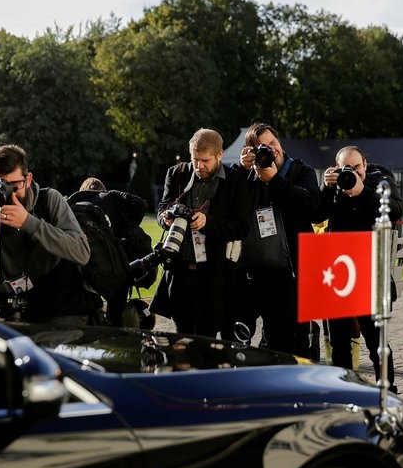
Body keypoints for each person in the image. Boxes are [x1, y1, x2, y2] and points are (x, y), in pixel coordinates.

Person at [0, 144, 97, 323]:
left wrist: (29, 223)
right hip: (14, 314)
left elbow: (82, 253)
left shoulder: (49, 200)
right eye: (2, 186)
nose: (8, 192)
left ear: (28, 180)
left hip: (62, 312)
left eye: (15, 185)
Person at [313, 146, 403, 384]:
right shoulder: (335, 187)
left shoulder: (380, 181)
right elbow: (315, 215)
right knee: (339, 344)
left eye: (357, 168)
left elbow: (395, 209)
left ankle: (387, 389)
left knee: (377, 343)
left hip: (370, 274)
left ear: (366, 164)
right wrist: (325, 187)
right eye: (346, 168)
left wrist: (362, 191)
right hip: (339, 274)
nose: (352, 173)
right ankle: (345, 392)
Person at [149, 128, 250, 337]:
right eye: (195, 159)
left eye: (205, 161)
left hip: (213, 276)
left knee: (207, 339)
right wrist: (165, 218)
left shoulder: (235, 181)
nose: (199, 166)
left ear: (220, 155)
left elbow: (242, 227)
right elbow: (162, 209)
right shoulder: (176, 174)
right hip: (180, 272)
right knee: (181, 339)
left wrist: (208, 222)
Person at [232, 122, 320, 356]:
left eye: (273, 143)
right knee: (237, 339)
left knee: (284, 344)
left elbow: (312, 207)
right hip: (250, 275)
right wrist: (241, 168)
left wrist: (275, 180)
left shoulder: (301, 171)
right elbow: (227, 199)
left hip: (288, 275)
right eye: (263, 147)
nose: (272, 150)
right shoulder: (246, 176)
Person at [69, 176, 149, 327]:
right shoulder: (111, 198)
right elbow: (141, 204)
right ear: (102, 189)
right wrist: (126, 228)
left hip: (82, 267)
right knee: (117, 307)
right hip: (113, 266)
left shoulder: (71, 204)